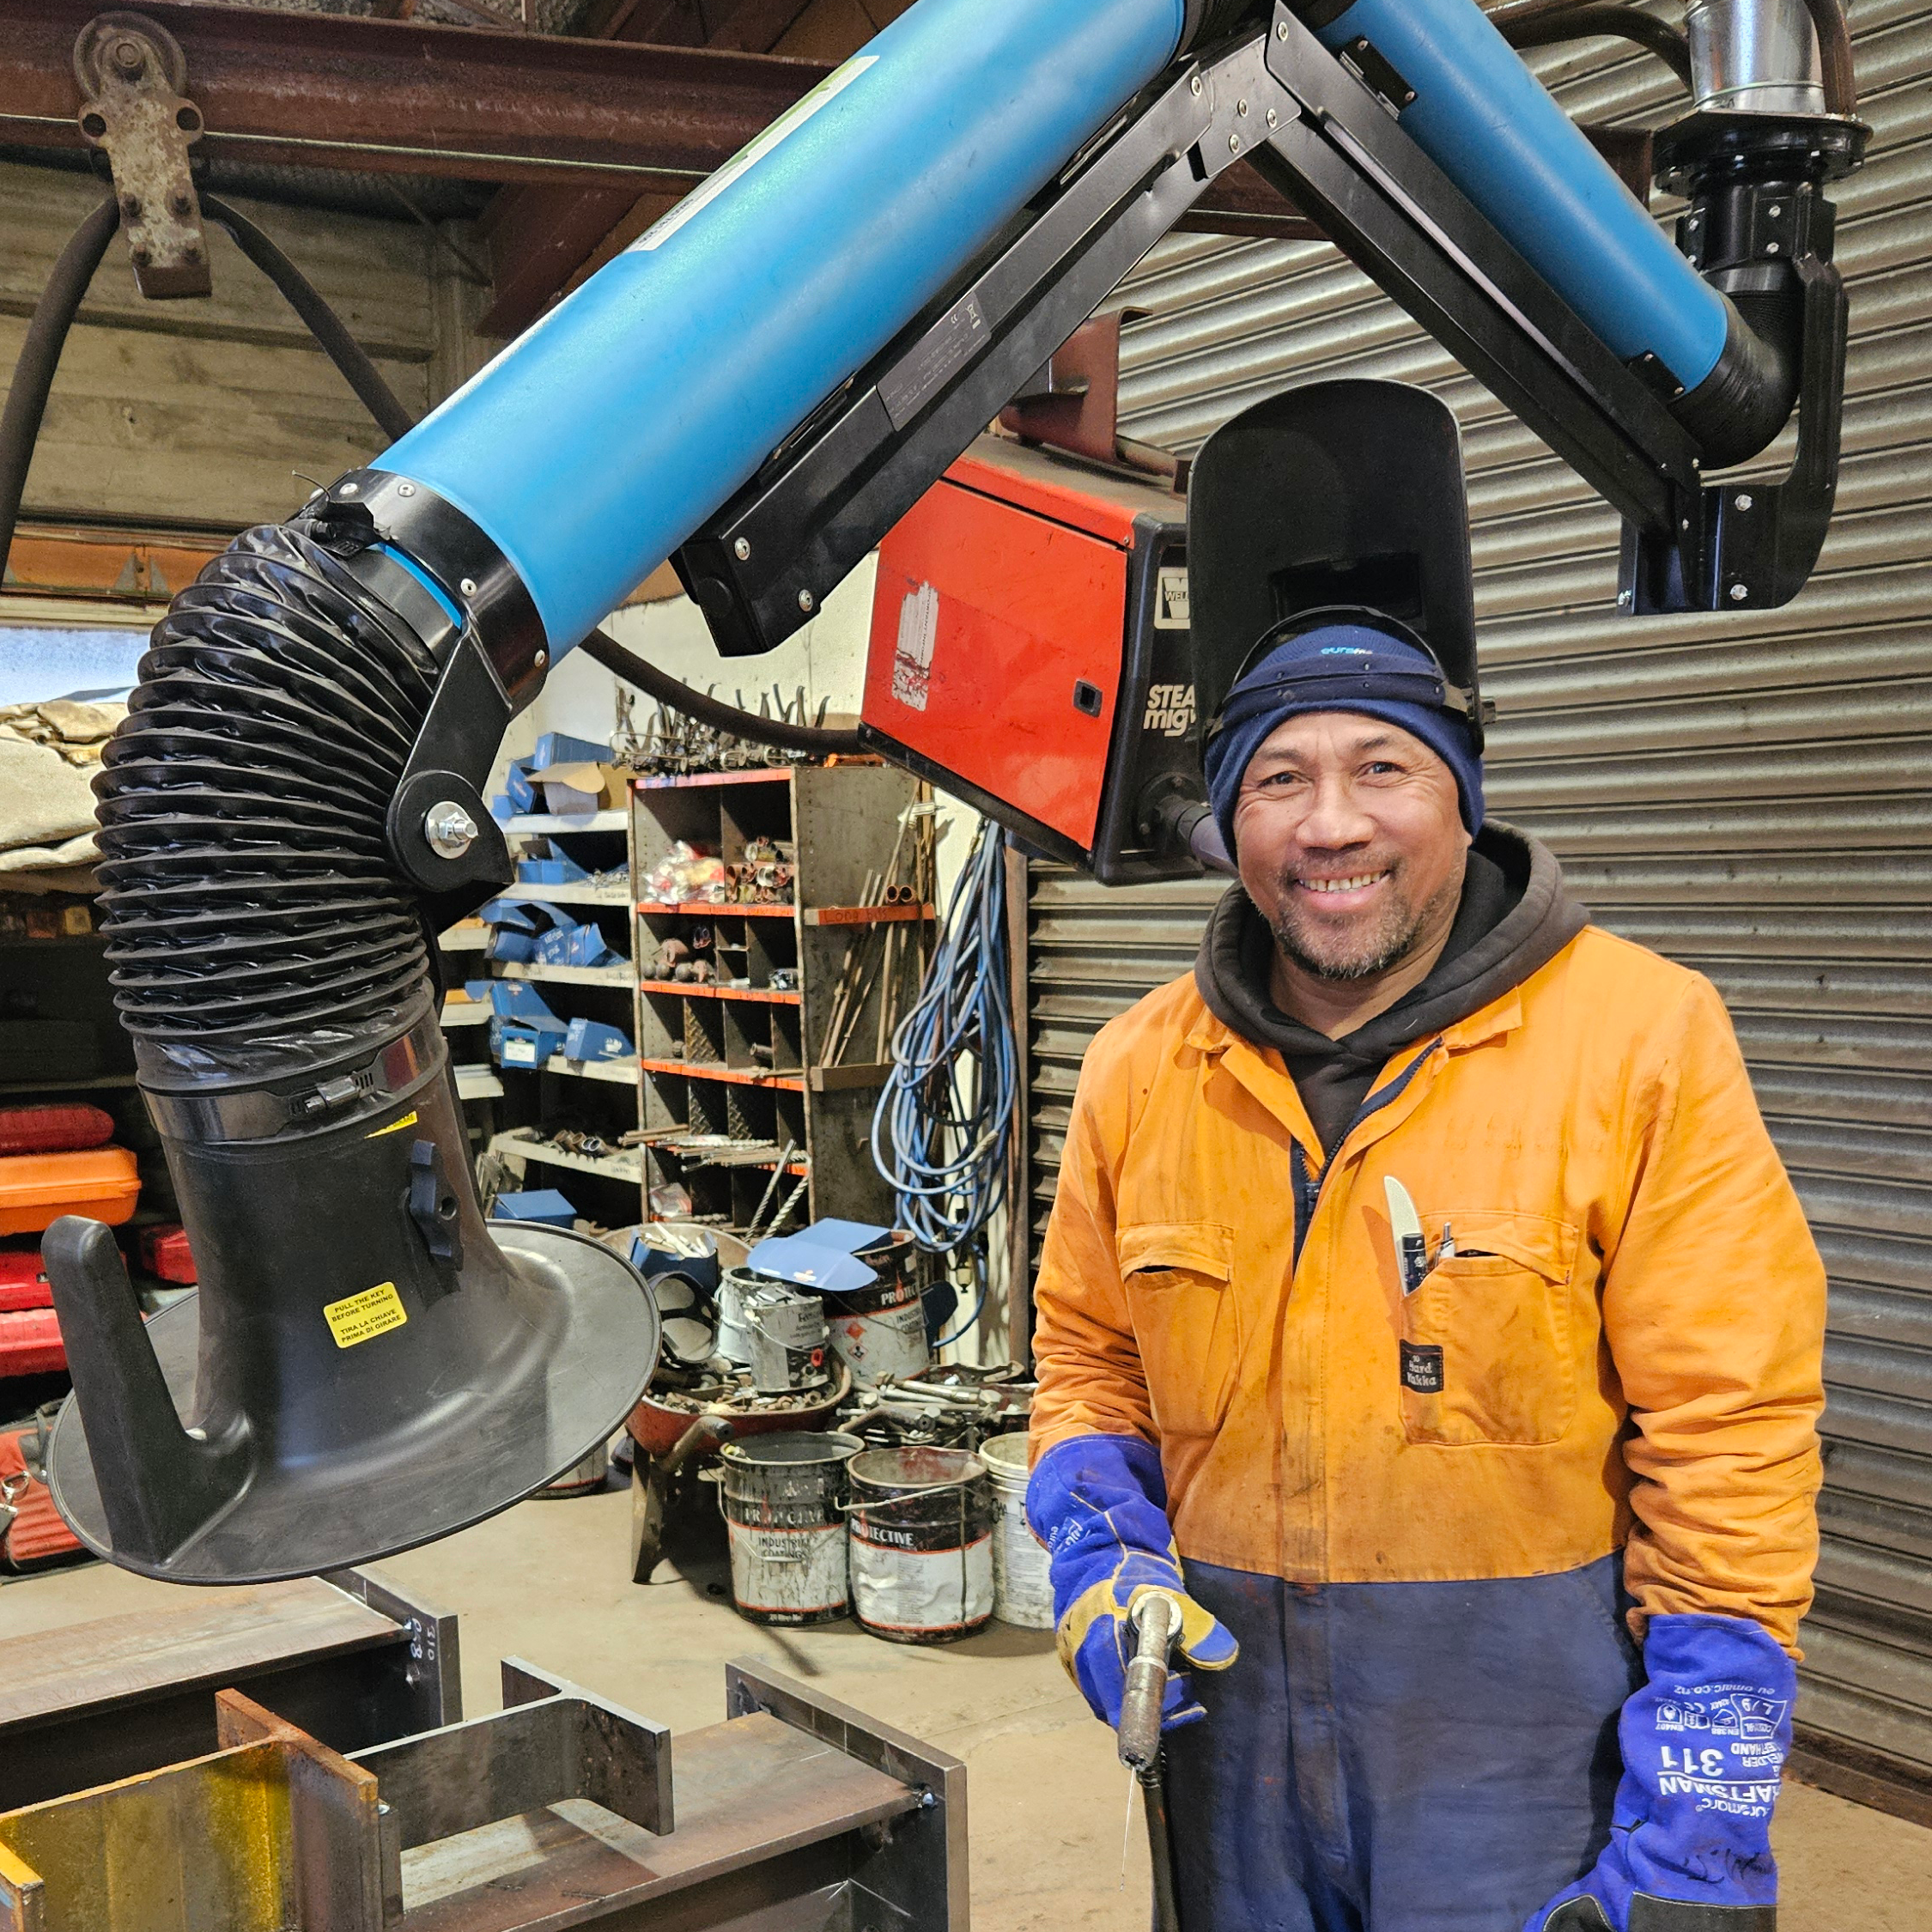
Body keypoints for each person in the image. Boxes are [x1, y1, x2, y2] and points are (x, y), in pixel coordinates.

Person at [1025, 607, 1826, 1931]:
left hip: (1514, 1766)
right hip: (1230, 1761)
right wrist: (1099, 1553)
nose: (1329, 824)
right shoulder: (1138, 1068)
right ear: (1230, 822)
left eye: (1382, 767)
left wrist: (1706, 1799)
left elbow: (1728, 1430)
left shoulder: (1637, 1039)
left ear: (1460, 797)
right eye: (1280, 778)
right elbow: (1089, 1361)